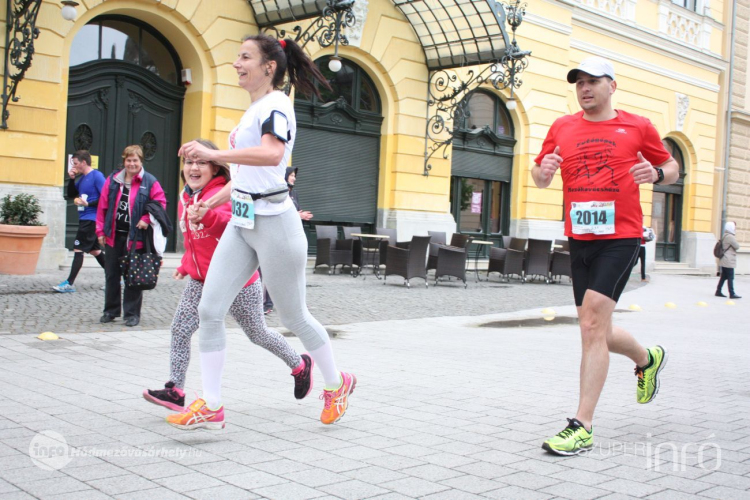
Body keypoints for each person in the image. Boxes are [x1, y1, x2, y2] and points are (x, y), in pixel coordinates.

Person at [168, 34, 356, 430]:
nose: (236, 63)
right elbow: (244, 178)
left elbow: (272, 155)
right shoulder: (253, 110)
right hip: (243, 222)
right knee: (209, 309)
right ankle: (213, 402)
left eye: (245, 57)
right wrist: (209, 203)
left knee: (294, 316)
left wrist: (213, 153)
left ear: (269, 67)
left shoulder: (277, 105)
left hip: (275, 223)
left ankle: (337, 383)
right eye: (237, 55)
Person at [532, 57, 679, 455]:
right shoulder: (562, 126)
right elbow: (540, 177)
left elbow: (673, 167)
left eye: (593, 81)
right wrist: (543, 170)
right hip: (579, 238)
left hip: (622, 237)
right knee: (593, 325)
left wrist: (657, 175)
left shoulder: (638, 125)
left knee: (592, 319)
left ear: (612, 85)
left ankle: (582, 424)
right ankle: (647, 358)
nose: (584, 88)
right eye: (578, 82)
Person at [144, 139, 313, 415]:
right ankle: (175, 390)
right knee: (180, 328)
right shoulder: (185, 197)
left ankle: (299, 364)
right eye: (189, 162)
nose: (193, 167)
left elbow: (238, 229)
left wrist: (208, 214)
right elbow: (192, 241)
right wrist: (186, 265)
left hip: (238, 280)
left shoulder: (228, 194)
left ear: (215, 168)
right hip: (202, 281)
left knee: (257, 333)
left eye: (201, 162)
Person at [96, 145, 167, 328]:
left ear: (141, 161)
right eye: (129, 160)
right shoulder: (112, 180)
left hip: (135, 237)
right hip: (114, 235)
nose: (132, 164)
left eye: (135, 160)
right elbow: (103, 207)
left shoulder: (149, 181)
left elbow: (160, 203)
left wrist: (146, 218)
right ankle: (110, 311)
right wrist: (100, 231)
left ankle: (131, 314)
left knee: (132, 275)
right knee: (111, 274)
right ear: (124, 161)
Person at [262, 166, 314, 314]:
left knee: (294, 272)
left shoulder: (294, 193)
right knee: (273, 271)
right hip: (277, 236)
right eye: (291, 175)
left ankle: (298, 304)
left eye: (294, 176)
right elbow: (277, 213)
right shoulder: (278, 193)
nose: (294, 178)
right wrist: (297, 215)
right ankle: (266, 304)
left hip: (292, 236)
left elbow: (295, 212)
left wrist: (301, 214)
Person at [54, 151, 107, 293]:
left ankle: (69, 283)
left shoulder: (96, 176)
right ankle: (118, 278)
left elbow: (105, 197)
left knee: (78, 249)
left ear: (84, 162)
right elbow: (71, 194)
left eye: (76, 163)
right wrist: (71, 179)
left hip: (92, 219)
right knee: (95, 251)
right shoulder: (82, 178)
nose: (74, 166)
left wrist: (88, 204)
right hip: (85, 218)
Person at [715, 221, 741, 299]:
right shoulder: (730, 236)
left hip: (724, 259)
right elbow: (737, 246)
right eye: (734, 227)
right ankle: (732, 293)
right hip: (728, 260)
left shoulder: (725, 235)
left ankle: (718, 291)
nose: (735, 228)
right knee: (730, 277)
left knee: (723, 277)